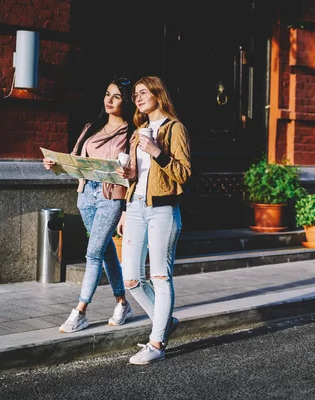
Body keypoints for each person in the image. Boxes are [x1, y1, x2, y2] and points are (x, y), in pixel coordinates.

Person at [43, 77, 136, 332]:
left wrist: (126, 210)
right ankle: (122, 303)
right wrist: (55, 165)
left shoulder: (132, 133)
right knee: (105, 251)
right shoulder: (91, 127)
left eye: (116, 96)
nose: (109, 100)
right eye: (107, 94)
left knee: (93, 253)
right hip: (86, 195)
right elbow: (75, 162)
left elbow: (133, 174)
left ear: (125, 101)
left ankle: (80, 311)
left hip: (111, 198)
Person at [116, 76, 191, 365]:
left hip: (163, 210)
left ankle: (157, 342)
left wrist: (156, 151)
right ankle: (165, 321)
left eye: (143, 92)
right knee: (131, 278)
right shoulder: (138, 131)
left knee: (160, 276)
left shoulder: (175, 129)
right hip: (135, 207)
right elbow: (136, 176)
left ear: (158, 94)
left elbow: (183, 173)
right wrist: (127, 178)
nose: (137, 98)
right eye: (134, 94)